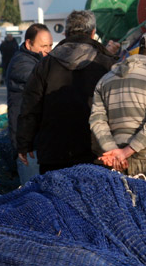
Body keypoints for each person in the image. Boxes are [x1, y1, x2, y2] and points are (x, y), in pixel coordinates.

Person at [16, 10, 115, 174]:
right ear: (92, 33)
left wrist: (24, 143)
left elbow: (31, 106)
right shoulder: (107, 63)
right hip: (97, 151)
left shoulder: (46, 64)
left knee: (56, 198)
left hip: (54, 152)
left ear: (66, 32)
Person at [90, 30, 146, 180]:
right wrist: (126, 152)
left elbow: (97, 120)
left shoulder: (106, 79)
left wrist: (113, 151)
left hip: (113, 160)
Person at [5, 24, 53, 184]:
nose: (48, 50)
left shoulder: (40, 62)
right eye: (43, 46)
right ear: (28, 44)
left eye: (50, 46)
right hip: (27, 145)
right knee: (33, 193)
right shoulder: (21, 64)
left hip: (38, 141)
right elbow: (45, 81)